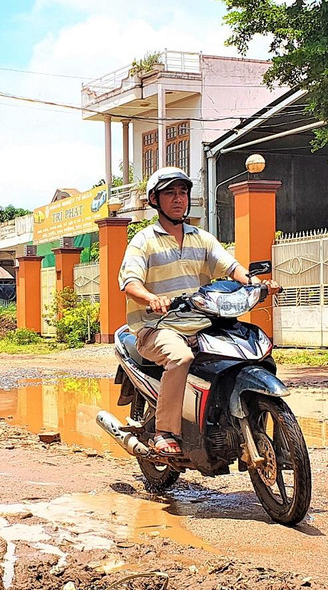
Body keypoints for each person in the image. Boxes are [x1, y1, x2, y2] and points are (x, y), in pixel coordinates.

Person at [118, 167, 280, 455]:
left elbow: (231, 266)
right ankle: (164, 431)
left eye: (183, 192)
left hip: (202, 322)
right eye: (170, 193)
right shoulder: (144, 240)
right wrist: (152, 298)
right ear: (155, 200)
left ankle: (254, 427)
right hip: (158, 326)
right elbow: (130, 282)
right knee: (180, 357)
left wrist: (256, 283)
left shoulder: (201, 238)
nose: (178, 199)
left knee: (257, 350)